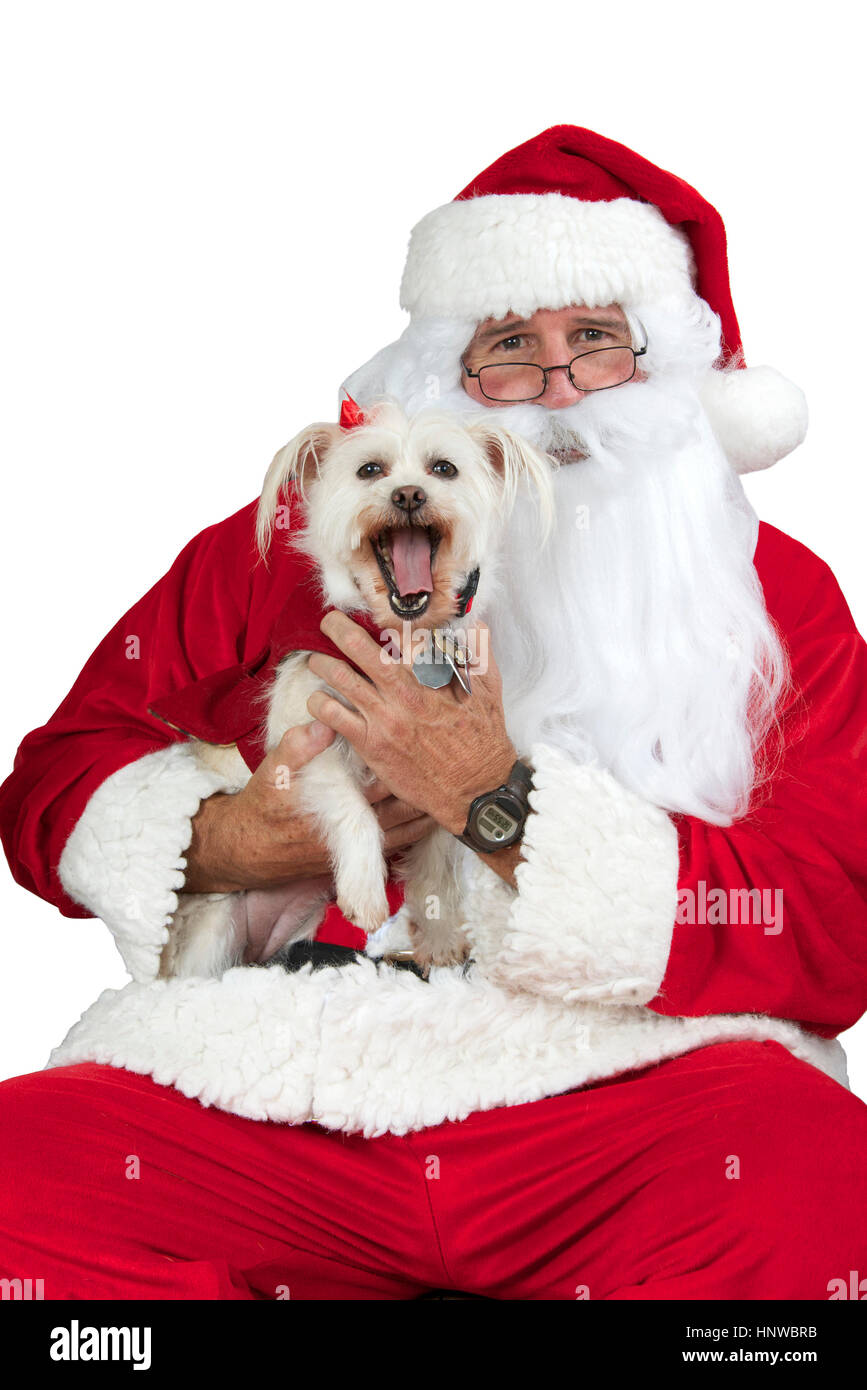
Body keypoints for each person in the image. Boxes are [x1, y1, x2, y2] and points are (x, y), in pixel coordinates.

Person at [1, 125, 866, 1302]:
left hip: (634, 1090)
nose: (559, 393)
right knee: (24, 1178)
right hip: (285, 1075)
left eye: (600, 341)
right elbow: (53, 788)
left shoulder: (782, 603)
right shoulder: (281, 556)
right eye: (509, 348)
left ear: (672, 376)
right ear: (441, 382)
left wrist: (498, 803)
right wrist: (239, 841)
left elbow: (832, 922)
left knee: (811, 1181)